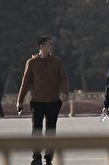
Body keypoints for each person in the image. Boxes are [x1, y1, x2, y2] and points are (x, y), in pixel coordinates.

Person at [16, 36, 70, 165]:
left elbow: (63, 78)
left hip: (53, 101)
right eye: (49, 44)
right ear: (41, 46)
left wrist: (64, 92)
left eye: (52, 44)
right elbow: (25, 82)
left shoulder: (57, 62)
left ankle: (49, 156)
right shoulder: (32, 62)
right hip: (37, 102)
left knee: (51, 129)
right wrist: (20, 101)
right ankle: (36, 157)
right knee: (37, 129)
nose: (51, 46)